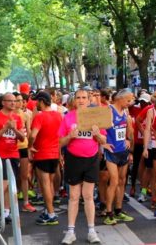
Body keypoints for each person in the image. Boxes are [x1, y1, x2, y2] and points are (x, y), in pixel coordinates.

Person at [59, 89, 106, 244]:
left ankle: (91, 231)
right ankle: (71, 231)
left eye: (84, 97)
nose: (80, 100)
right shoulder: (68, 117)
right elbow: (60, 142)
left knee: (88, 196)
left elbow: (103, 140)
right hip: (73, 159)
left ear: (89, 99)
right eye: (78, 97)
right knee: (73, 196)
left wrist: (97, 134)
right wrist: (69, 136)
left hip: (91, 159)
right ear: (74, 100)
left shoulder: (96, 116)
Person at [28, 91, 63, 225]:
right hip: (54, 154)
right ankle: (49, 211)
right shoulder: (58, 116)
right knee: (49, 184)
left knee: (45, 185)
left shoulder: (40, 117)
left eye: (37, 101)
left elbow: (32, 135)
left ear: (42, 101)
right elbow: (60, 136)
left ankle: (51, 214)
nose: (36, 103)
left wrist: (30, 146)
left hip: (42, 154)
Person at [102, 89, 135, 225]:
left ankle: (118, 210)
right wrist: (103, 143)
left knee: (122, 181)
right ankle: (108, 212)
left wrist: (128, 140)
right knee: (114, 181)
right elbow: (97, 129)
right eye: (128, 100)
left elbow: (129, 130)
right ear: (119, 99)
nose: (130, 103)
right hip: (111, 152)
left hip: (123, 151)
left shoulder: (125, 112)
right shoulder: (108, 111)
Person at [0, 93, 25, 223]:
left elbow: (22, 138)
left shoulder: (17, 118)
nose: (13, 103)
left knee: (10, 184)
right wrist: (5, 128)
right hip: (0, 155)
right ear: (3, 102)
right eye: (10, 101)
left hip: (13, 155)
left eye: (15, 101)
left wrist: (14, 129)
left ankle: (6, 212)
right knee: (2, 185)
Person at [14, 92, 36, 213]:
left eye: (21, 100)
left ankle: (26, 202)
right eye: (16, 100)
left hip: (23, 146)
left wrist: (30, 148)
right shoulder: (6, 115)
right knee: (12, 176)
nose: (19, 103)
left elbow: (28, 131)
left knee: (24, 175)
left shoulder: (26, 115)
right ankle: (11, 202)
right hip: (10, 149)